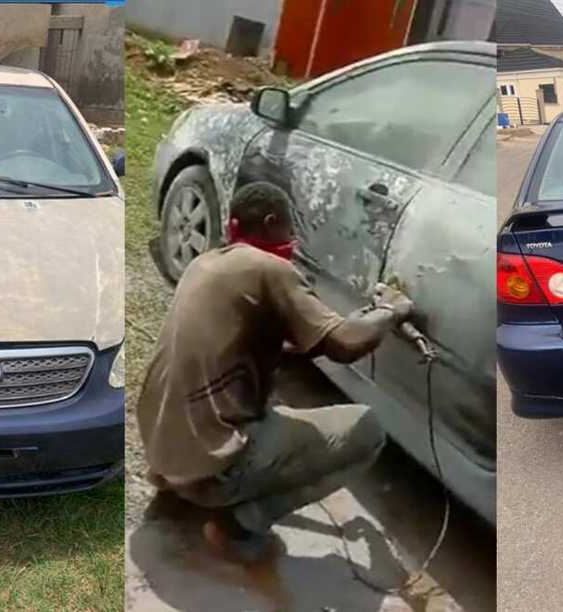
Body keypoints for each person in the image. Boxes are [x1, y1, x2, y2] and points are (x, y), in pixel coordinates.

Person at [136, 181, 416, 563]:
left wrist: (332, 328)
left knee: (257, 405)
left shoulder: (206, 263)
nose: (293, 239)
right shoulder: (269, 267)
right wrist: (391, 311)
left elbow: (269, 344)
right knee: (367, 430)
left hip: (160, 449)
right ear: (270, 223)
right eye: (289, 228)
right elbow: (345, 345)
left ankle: (177, 496)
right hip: (208, 466)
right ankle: (239, 523)